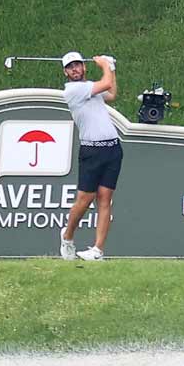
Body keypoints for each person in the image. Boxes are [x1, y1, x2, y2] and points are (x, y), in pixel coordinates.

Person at [58, 51, 120, 262]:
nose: (75, 69)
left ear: (84, 67)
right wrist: (105, 65)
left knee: (105, 199)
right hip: (91, 151)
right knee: (84, 200)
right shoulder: (73, 90)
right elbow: (105, 84)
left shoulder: (90, 87)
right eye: (70, 67)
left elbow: (111, 94)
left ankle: (97, 250)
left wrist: (111, 69)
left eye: (78, 65)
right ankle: (67, 237)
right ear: (66, 72)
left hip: (112, 149)